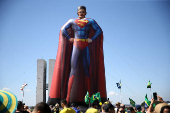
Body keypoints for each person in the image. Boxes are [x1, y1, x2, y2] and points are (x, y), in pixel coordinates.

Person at [48, 6, 107, 105]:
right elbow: (63, 29)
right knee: (73, 70)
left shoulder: (91, 21)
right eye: (80, 12)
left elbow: (99, 31)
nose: (81, 13)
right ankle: (67, 99)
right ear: (77, 13)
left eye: (83, 12)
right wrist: (69, 37)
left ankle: (90, 100)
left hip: (85, 45)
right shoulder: (72, 21)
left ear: (85, 12)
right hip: (76, 45)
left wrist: (91, 39)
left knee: (87, 70)